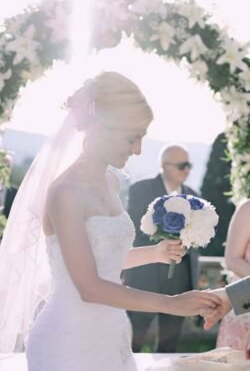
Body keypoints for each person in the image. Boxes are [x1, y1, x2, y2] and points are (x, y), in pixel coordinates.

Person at [0, 72, 221, 371]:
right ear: (103, 126)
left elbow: (102, 260)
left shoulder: (112, 182)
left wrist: (155, 254)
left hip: (112, 335)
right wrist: (172, 302)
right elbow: (89, 286)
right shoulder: (65, 192)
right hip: (68, 342)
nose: (138, 149)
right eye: (133, 137)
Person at [123, 144, 199, 353]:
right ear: (164, 165)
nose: (186, 170)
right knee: (133, 343)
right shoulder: (140, 189)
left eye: (189, 165)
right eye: (182, 165)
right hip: (144, 279)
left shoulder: (194, 195)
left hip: (179, 281)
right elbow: (134, 231)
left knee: (169, 347)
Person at [204, 199, 250, 351]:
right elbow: (232, 259)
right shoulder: (247, 208)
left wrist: (231, 295)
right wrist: (234, 295)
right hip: (244, 308)